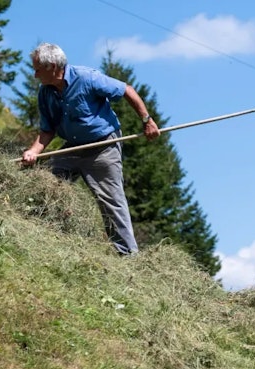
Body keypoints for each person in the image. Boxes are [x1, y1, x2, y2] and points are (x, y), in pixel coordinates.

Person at [21, 42, 160, 255]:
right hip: (72, 149)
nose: (34, 75)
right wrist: (33, 152)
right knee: (46, 184)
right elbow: (47, 130)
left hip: (102, 147)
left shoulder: (87, 77)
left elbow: (126, 90)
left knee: (111, 201)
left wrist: (147, 120)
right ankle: (45, 240)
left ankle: (129, 256)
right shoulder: (45, 93)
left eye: (38, 69)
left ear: (53, 68)